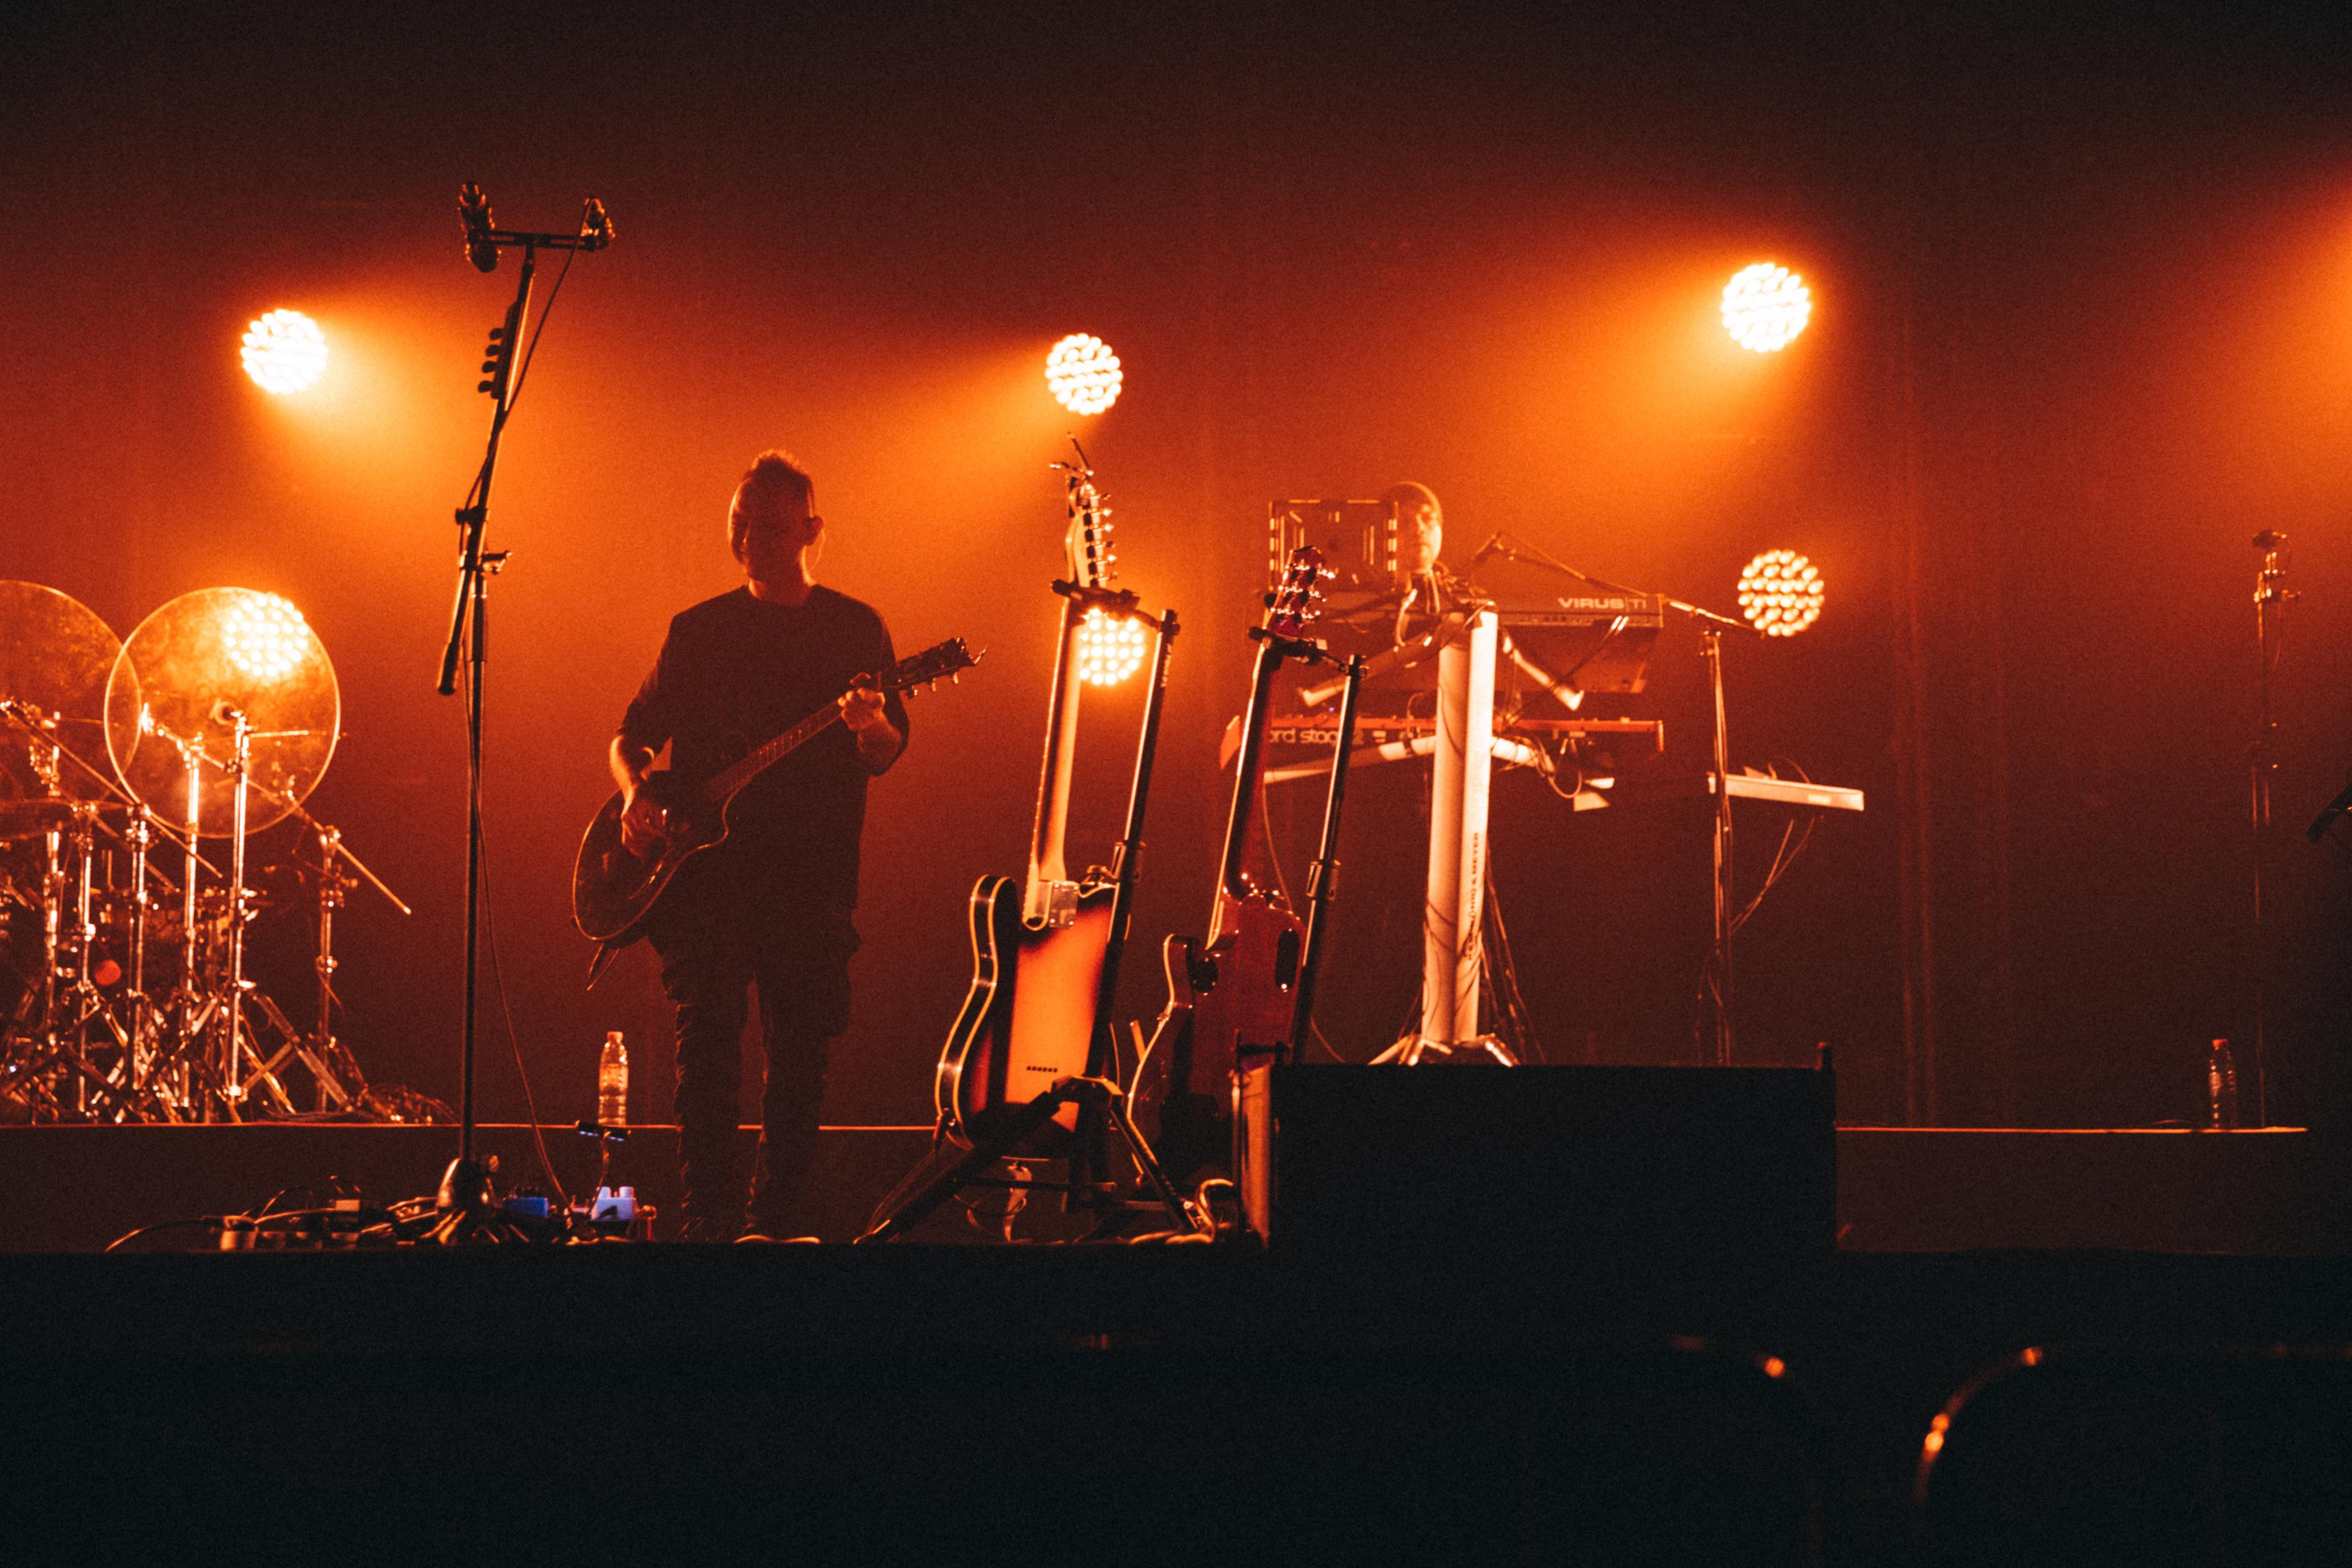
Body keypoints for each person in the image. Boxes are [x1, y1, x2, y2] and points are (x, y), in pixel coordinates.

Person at [608, 451, 908, 1242]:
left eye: (770, 525)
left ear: (811, 530)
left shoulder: (854, 627)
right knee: (704, 1045)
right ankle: (706, 1216)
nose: (750, 538)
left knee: (798, 1053)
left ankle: (777, 1222)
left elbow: (885, 749)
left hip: (810, 880)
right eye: (740, 520)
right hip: (705, 880)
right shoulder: (697, 630)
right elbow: (631, 737)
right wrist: (638, 795)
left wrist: (867, 721)